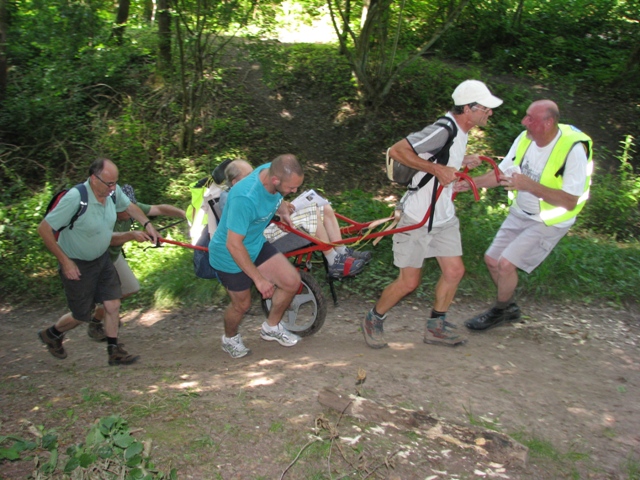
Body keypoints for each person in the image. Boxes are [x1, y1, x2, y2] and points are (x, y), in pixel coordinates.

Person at [362, 80, 503, 349]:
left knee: (454, 271)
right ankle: (373, 318)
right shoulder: (443, 129)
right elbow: (396, 151)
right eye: (485, 108)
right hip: (418, 217)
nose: (490, 112)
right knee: (409, 282)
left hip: (443, 216)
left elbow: (439, 159)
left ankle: (435, 327)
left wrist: (460, 161)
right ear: (468, 108)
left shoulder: (461, 131)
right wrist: (438, 171)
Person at [456, 100, 592, 331]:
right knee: (492, 260)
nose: (523, 122)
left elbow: (570, 201)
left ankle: (499, 312)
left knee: (506, 264)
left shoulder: (573, 150)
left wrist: (529, 185)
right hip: (521, 212)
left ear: (548, 123)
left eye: (530, 118)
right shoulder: (524, 139)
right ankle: (509, 307)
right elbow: (501, 174)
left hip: (549, 220)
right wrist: (470, 184)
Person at [37, 158, 160, 366]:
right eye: (109, 183)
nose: (113, 188)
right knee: (81, 315)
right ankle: (52, 334)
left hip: (101, 259)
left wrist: (147, 224)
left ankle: (114, 351)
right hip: (77, 263)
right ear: (94, 178)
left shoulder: (112, 191)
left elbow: (129, 207)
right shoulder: (76, 198)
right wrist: (66, 262)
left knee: (113, 303)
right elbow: (44, 229)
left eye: (115, 183)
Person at [209, 154, 306, 359]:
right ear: (275, 180)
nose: (295, 191)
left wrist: (284, 212)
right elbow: (233, 244)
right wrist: (259, 279)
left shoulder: (271, 170)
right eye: (291, 188)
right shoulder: (244, 197)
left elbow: (277, 197)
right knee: (241, 305)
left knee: (291, 281)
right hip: (229, 254)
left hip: (254, 243)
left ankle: (271, 327)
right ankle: (230, 339)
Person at [220, 159, 371, 279]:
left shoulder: (252, 191)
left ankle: (341, 250)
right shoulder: (233, 198)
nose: (253, 178)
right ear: (235, 182)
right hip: (262, 238)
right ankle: (333, 261)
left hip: (274, 225)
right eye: (248, 176)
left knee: (324, 207)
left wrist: (283, 205)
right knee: (313, 213)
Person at [87, 184, 186, 341]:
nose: (129, 212)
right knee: (91, 303)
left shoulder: (131, 207)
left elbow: (159, 209)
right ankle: (65, 329)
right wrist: (133, 235)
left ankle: (99, 315)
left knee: (131, 287)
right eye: (124, 208)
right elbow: (109, 239)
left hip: (113, 256)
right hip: (95, 259)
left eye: (130, 207)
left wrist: (185, 214)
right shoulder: (100, 216)